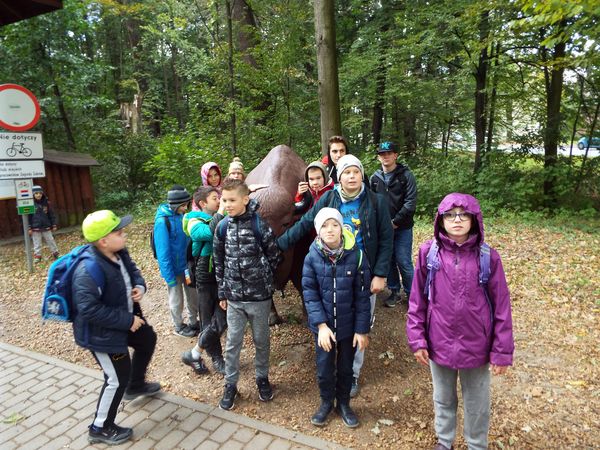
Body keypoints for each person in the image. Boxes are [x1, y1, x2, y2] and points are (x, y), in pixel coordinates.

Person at [278, 154, 393, 398]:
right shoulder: (329, 198)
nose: (351, 176)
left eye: (356, 171)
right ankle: (329, 371)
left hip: (363, 272)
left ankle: (352, 374)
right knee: (333, 320)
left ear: (362, 174)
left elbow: (386, 239)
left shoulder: (376, 202)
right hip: (334, 270)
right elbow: (307, 222)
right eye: (346, 172)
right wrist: (277, 245)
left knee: (359, 323)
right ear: (339, 176)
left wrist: (380, 274)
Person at [406, 193, 514, 450]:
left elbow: (501, 306)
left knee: (477, 403)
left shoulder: (488, 257)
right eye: (450, 215)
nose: (457, 220)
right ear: (440, 220)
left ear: (474, 219)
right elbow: (417, 300)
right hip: (439, 341)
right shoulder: (429, 254)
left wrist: (501, 351)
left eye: (463, 215)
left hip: (476, 345)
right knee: (443, 398)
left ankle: (476, 444)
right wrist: (417, 339)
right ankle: (445, 442)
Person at [74, 210, 160, 445]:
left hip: (124, 322)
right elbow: (88, 309)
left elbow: (133, 272)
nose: (124, 235)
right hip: (101, 334)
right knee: (116, 378)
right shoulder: (88, 270)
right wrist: (127, 321)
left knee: (147, 339)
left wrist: (139, 287)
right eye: (119, 232)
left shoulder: (119, 252)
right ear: (103, 241)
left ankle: (136, 385)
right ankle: (100, 427)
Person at [213, 179, 282, 410]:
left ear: (245, 199)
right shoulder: (222, 227)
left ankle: (262, 378)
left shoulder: (258, 225)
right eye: (224, 200)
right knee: (233, 343)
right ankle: (230, 384)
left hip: (259, 298)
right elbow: (219, 261)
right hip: (234, 299)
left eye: (232, 200)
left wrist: (263, 278)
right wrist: (223, 293)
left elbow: (274, 255)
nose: (227, 204)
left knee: (261, 340)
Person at [302, 208, 371, 428]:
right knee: (324, 368)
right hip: (324, 328)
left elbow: (362, 296)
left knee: (346, 368)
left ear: (342, 228)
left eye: (334, 224)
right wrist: (321, 325)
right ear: (317, 230)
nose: (330, 230)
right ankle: (326, 403)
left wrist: (361, 329)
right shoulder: (312, 257)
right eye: (324, 226)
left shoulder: (357, 256)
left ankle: (343, 404)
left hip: (348, 326)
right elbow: (309, 293)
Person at [181, 186, 226, 375]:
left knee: (223, 318)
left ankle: (194, 353)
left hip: (222, 274)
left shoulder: (222, 217)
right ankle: (217, 358)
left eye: (220, 197)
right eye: (215, 198)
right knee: (207, 319)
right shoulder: (192, 220)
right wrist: (221, 212)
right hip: (204, 276)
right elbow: (207, 233)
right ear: (202, 203)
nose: (219, 200)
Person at [370, 141, 417, 307]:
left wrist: (396, 222)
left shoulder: (406, 176)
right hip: (384, 229)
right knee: (388, 260)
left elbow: (410, 202)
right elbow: (371, 203)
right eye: (382, 154)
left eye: (389, 153)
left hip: (403, 228)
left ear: (395, 155)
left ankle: (413, 295)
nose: (386, 156)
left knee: (403, 261)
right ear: (378, 157)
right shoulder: (375, 179)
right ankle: (395, 291)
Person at [154, 185, 200, 337]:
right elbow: (162, 252)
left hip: (186, 268)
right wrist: (169, 277)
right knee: (176, 299)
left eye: (187, 204)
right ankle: (179, 326)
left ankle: (193, 322)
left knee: (192, 295)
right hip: (173, 270)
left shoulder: (182, 216)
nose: (186, 208)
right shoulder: (162, 222)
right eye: (183, 205)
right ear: (175, 204)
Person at [28, 185, 59, 262]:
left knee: (50, 240)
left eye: (40, 193)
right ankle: (38, 256)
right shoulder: (31, 204)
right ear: (33, 195)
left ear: (42, 194)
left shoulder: (46, 203)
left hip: (46, 226)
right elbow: (29, 217)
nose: (38, 195)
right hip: (35, 227)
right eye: (36, 193)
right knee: (37, 243)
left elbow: (51, 214)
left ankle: (55, 253)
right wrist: (29, 227)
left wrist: (53, 224)